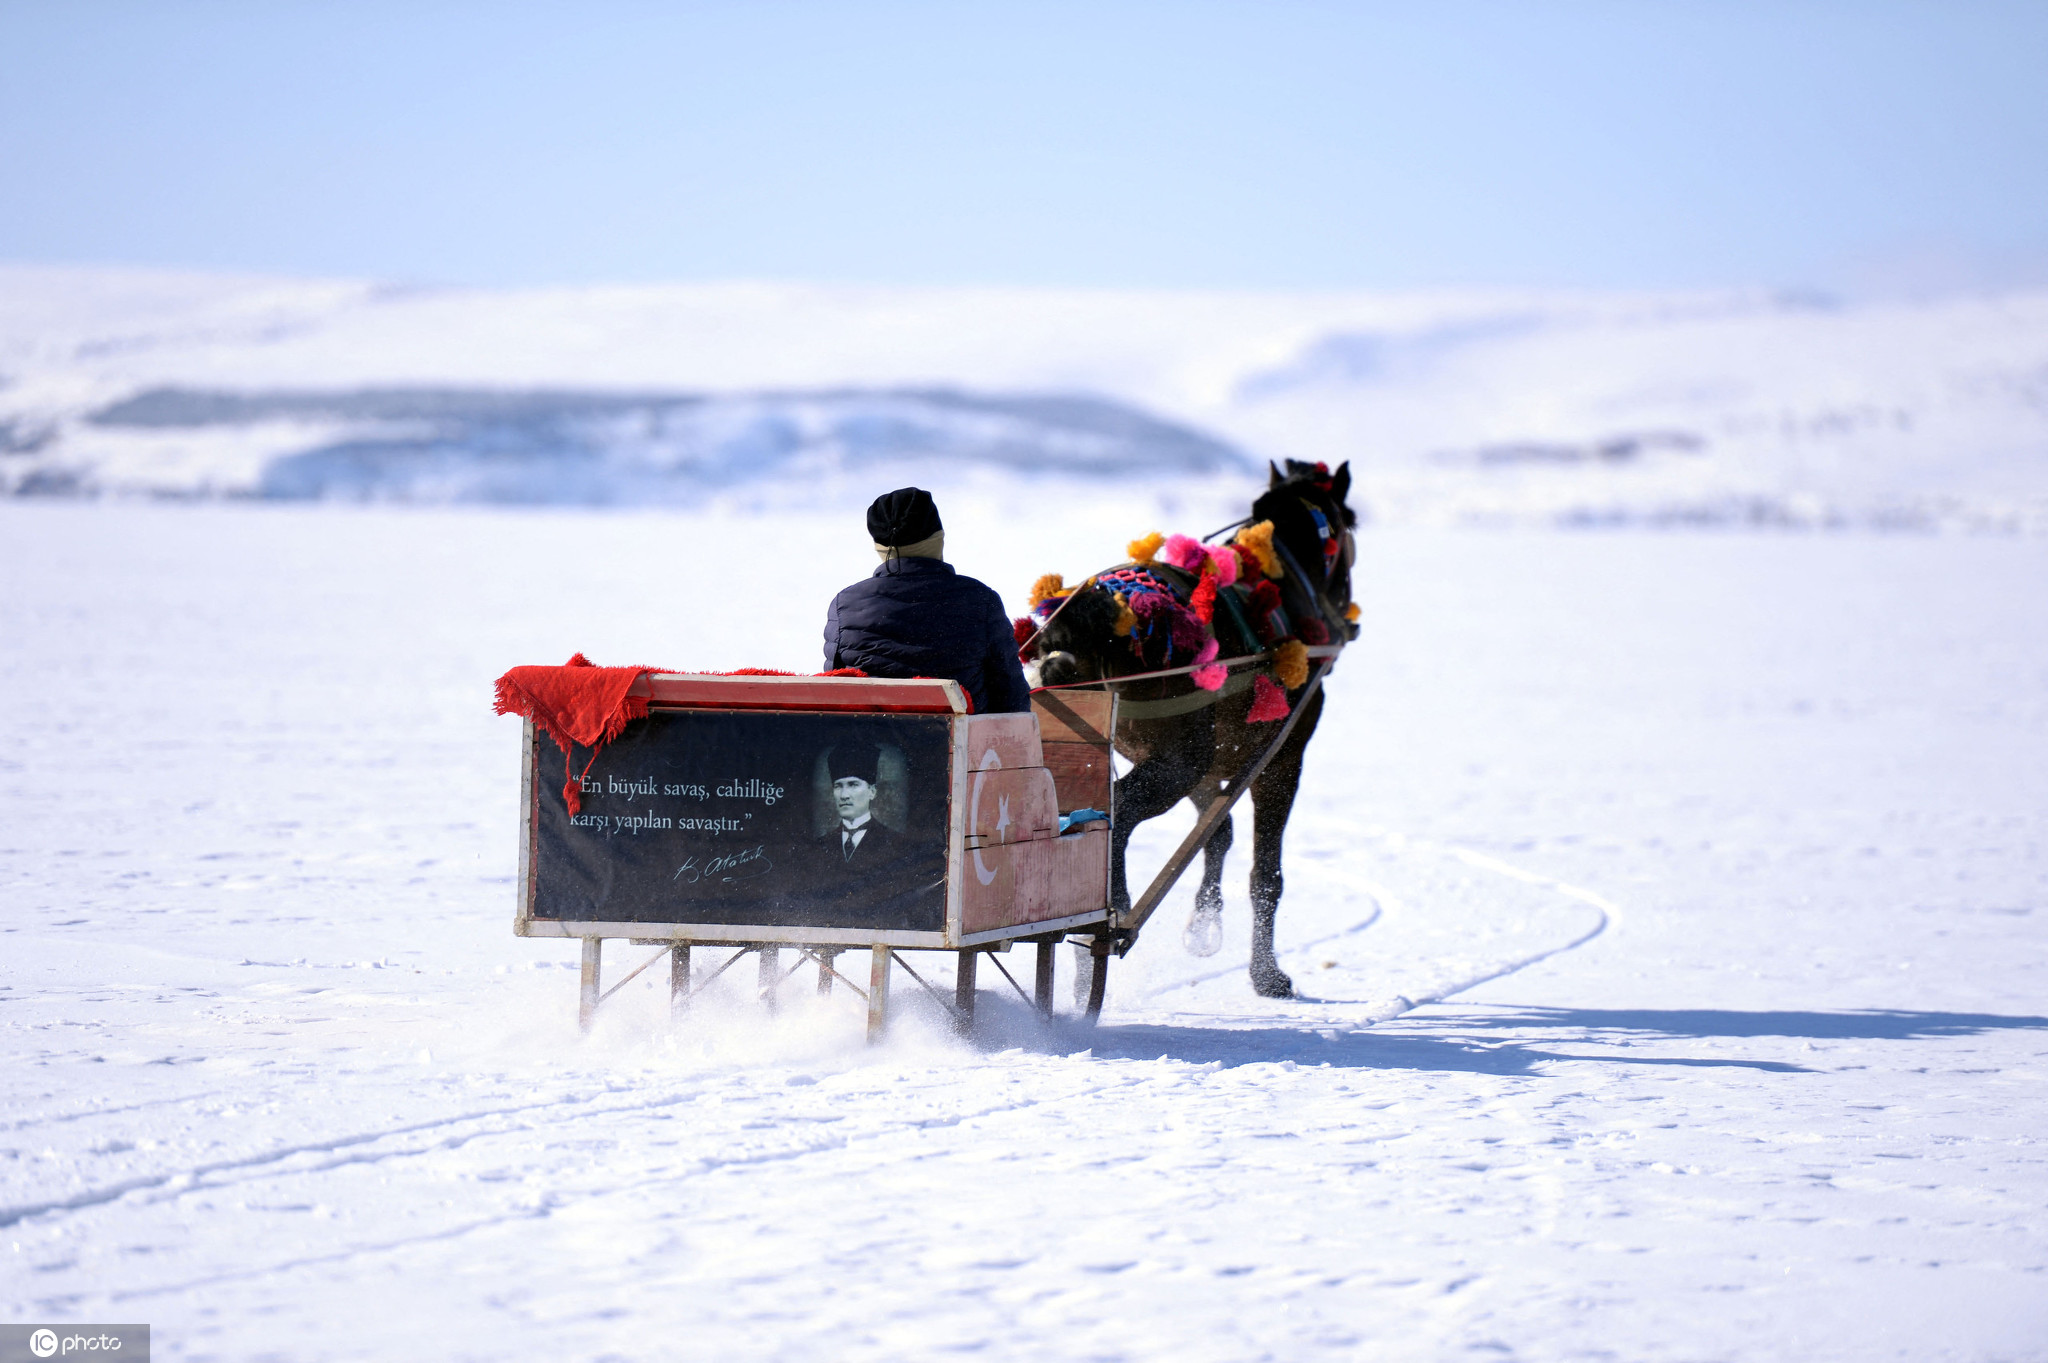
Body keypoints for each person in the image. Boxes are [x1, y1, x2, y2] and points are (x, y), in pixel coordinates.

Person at [822, 487, 1031, 714]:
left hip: (873, 744)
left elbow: (836, 689)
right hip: (958, 744)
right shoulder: (980, 599)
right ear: (938, 537)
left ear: (878, 545)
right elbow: (1011, 698)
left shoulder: (844, 606)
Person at [815, 741, 904, 867]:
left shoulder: (896, 843)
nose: (844, 795)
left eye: (853, 785)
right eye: (838, 786)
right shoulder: (819, 846)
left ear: (872, 792)